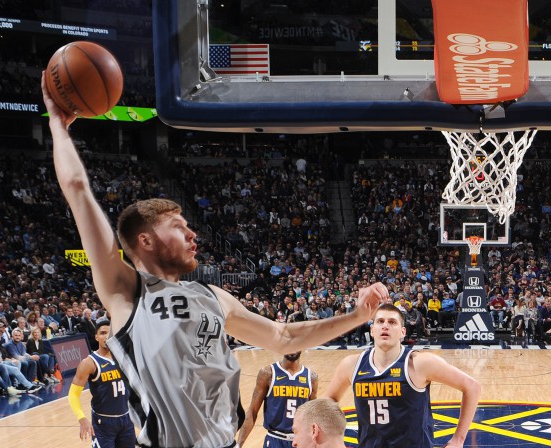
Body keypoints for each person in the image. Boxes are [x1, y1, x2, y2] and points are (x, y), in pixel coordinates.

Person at [42, 73, 387, 448]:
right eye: (178, 227)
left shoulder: (213, 296)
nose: (193, 235)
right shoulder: (126, 291)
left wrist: (356, 317)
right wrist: (58, 125)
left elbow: (284, 336)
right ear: (145, 241)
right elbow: (77, 190)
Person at [325, 304, 480, 447]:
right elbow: (328, 400)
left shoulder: (419, 363)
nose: (385, 326)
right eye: (380, 321)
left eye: (392, 322)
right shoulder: (352, 365)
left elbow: (472, 387)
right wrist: (334, 439)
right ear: (372, 330)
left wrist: (458, 440)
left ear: (402, 332)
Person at [68, 321, 137, 448]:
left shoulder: (125, 357)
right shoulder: (89, 363)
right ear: (96, 337)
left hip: (126, 420)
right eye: (102, 333)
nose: (106, 336)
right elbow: (73, 394)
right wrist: (82, 418)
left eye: (109, 333)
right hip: (103, 423)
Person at [237, 352, 318, 448]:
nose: (292, 350)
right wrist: (238, 445)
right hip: (274, 440)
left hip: (300, 441)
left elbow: (313, 415)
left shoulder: (311, 377)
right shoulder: (268, 373)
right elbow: (252, 412)